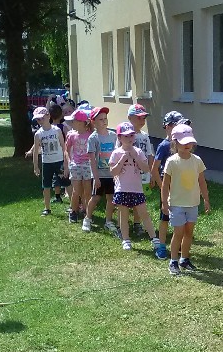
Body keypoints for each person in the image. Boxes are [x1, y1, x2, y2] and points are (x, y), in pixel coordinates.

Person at [109, 122, 167, 256]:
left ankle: (154, 238)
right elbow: (113, 171)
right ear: (119, 138)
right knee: (123, 215)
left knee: (144, 214)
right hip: (122, 189)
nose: (129, 138)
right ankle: (126, 239)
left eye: (131, 135)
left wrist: (136, 157)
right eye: (126, 136)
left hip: (137, 189)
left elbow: (146, 168)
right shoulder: (116, 153)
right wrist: (122, 159)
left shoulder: (138, 151)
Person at [161, 123, 210, 276]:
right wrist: (164, 202)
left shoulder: (197, 160)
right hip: (176, 204)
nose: (187, 145)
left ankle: (184, 259)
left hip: (192, 204)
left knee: (189, 232)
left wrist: (206, 199)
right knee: (178, 233)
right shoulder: (172, 161)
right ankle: (173, 261)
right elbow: (165, 184)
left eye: (189, 142)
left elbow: (202, 181)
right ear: (175, 143)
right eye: (183, 142)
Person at [151, 111, 190, 249]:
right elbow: (154, 169)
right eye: (177, 126)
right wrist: (163, 188)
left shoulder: (183, 145)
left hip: (181, 187)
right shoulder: (164, 146)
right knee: (165, 216)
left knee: (180, 217)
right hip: (167, 186)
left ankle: (178, 245)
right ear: (168, 127)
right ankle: (162, 246)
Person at [82, 106, 119, 235]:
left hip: (111, 174)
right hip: (99, 175)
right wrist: (96, 177)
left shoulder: (113, 136)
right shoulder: (93, 138)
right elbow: (92, 160)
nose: (104, 121)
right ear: (93, 122)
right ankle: (87, 218)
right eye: (101, 119)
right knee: (96, 198)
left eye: (105, 119)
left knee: (111, 198)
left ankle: (108, 221)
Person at [126, 104, 161, 238]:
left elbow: (150, 155)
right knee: (125, 200)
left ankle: (137, 223)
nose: (142, 120)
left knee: (140, 200)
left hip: (143, 174)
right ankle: (122, 224)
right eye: (138, 117)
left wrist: (151, 173)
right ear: (130, 118)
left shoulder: (145, 136)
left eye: (144, 118)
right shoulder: (125, 135)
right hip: (129, 174)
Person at [31, 106, 69, 216]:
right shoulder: (38, 134)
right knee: (46, 186)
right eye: (37, 119)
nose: (40, 121)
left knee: (66, 183)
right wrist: (35, 166)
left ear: (48, 116)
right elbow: (35, 151)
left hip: (59, 161)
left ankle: (73, 206)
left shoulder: (56, 130)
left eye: (41, 118)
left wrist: (66, 162)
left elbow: (64, 147)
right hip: (46, 163)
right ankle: (47, 208)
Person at [64, 108, 93, 224]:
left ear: (80, 122)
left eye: (73, 121)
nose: (71, 123)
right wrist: (69, 161)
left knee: (87, 191)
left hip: (88, 165)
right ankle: (73, 211)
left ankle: (87, 212)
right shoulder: (71, 135)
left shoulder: (90, 135)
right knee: (76, 191)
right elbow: (66, 150)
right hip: (76, 165)